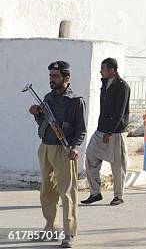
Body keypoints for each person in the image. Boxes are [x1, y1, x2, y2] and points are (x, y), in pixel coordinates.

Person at [29, 61, 86, 248]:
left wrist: (75, 147)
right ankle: (50, 227)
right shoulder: (48, 98)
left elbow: (81, 129)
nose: (51, 80)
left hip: (64, 150)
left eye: (55, 76)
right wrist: (36, 113)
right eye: (50, 76)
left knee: (67, 193)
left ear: (66, 78)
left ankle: (69, 233)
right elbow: (43, 124)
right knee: (47, 191)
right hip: (45, 148)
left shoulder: (75, 101)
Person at [81, 58, 130, 206]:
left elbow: (119, 112)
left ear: (112, 71)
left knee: (117, 165)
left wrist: (109, 131)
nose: (100, 71)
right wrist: (103, 129)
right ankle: (95, 193)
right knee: (90, 156)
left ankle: (118, 196)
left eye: (103, 69)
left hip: (114, 132)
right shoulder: (104, 84)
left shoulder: (122, 86)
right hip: (101, 129)